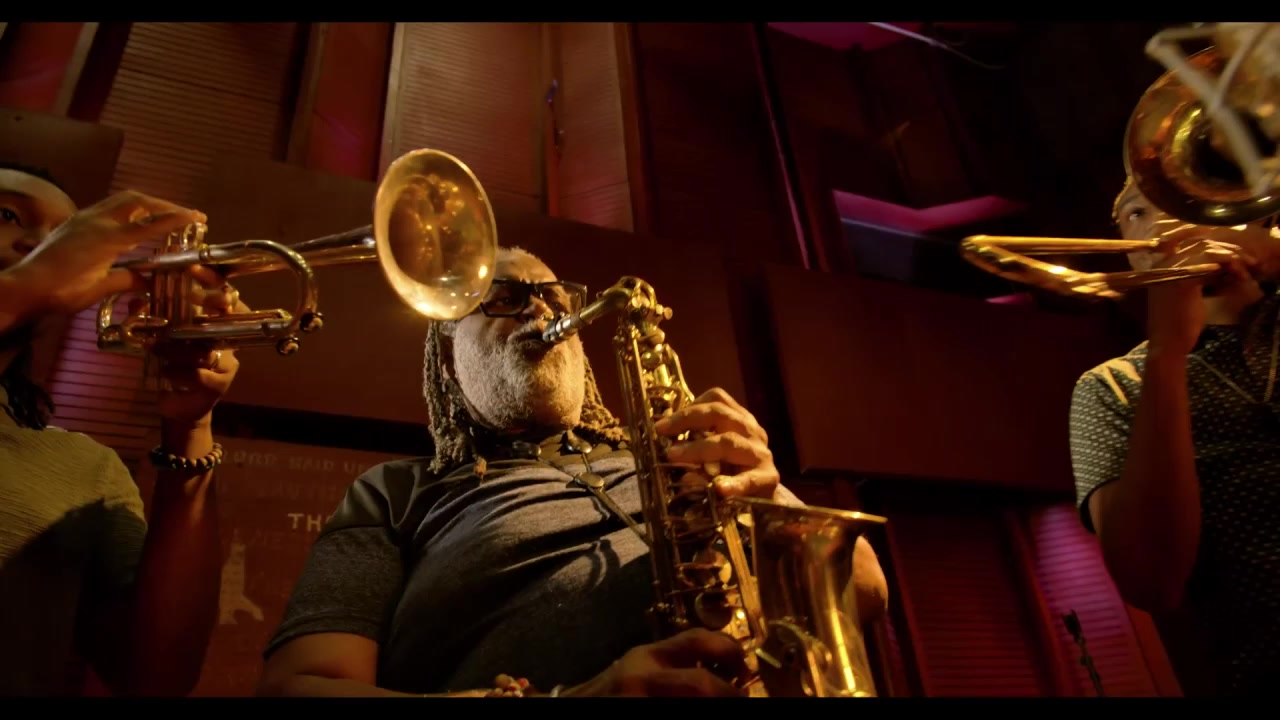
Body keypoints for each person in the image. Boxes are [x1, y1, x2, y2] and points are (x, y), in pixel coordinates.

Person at [258, 246, 890, 698]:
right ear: (448, 358)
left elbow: (864, 591)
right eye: (504, 298)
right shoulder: (397, 491)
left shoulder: (675, 457)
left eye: (554, 298)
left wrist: (771, 494)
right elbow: (298, 686)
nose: (540, 310)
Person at [0, 162, 245, 696]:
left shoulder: (84, 468)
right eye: (8, 215)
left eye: (63, 234)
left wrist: (191, 422)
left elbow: (157, 679)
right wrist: (24, 286)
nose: (41, 245)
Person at [1069, 177, 1280, 695]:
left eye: (1183, 200)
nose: (1164, 224)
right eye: (1137, 212)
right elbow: (1150, 583)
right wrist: (1167, 352)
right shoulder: (1113, 385)